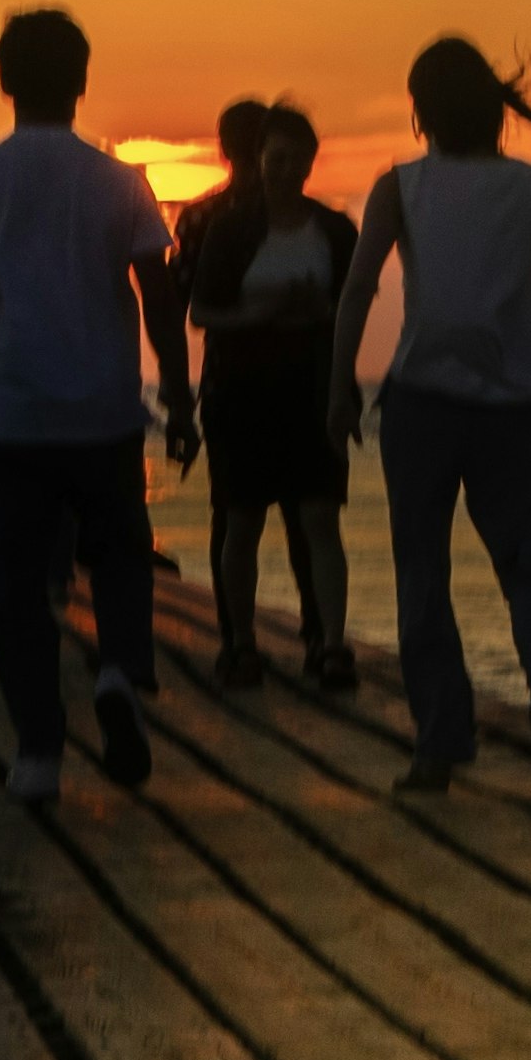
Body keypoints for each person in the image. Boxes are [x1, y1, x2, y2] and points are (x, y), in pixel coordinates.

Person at [326, 36, 531, 796]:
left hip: (421, 405)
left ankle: (439, 743)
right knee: (529, 561)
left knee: (423, 574)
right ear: (493, 111)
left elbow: (356, 292)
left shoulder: (399, 187)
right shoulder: (528, 189)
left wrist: (338, 387)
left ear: (419, 113)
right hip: (508, 409)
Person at [0, 9, 193, 802]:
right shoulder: (123, 182)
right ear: (82, 80)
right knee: (118, 554)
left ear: (4, 83)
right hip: (105, 411)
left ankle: (39, 752)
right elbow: (162, 299)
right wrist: (177, 399)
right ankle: (115, 670)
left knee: (13, 584)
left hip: (9, 415)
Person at [182, 100, 358, 691]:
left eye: (295, 159)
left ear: (311, 161)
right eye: (275, 158)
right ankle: (240, 642)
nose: (284, 170)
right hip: (243, 393)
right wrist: (261, 312)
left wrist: (324, 328)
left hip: (311, 388)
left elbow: (350, 313)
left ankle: (331, 643)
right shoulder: (227, 227)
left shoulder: (334, 229)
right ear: (259, 159)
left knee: (319, 517)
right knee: (242, 521)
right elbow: (201, 310)